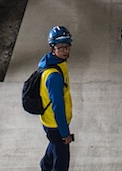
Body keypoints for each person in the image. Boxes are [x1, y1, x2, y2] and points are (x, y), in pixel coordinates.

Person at [39, 25, 75, 171]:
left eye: (67, 46)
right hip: (55, 124)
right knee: (61, 162)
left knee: (54, 145)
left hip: (50, 122)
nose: (65, 51)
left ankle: (45, 166)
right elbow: (58, 108)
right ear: (52, 48)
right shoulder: (54, 76)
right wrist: (65, 134)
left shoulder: (52, 62)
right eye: (61, 48)